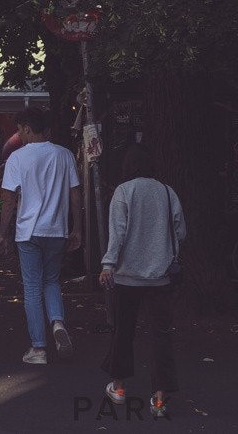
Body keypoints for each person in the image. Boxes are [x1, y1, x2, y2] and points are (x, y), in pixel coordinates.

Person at [99, 145, 184, 420]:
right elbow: (180, 231)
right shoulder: (168, 192)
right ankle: (160, 399)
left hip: (127, 276)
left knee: (124, 330)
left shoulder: (123, 192)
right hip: (161, 276)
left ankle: (120, 386)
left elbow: (117, 233)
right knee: (161, 335)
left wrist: (108, 265)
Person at [0, 107, 82, 365]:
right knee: (52, 281)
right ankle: (57, 322)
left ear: (27, 128)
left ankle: (39, 348)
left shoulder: (17, 159)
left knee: (32, 287)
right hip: (57, 230)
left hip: (28, 231)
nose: (18, 134)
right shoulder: (64, 155)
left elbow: (8, 200)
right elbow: (75, 193)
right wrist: (77, 228)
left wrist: (2, 234)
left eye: (19, 129)